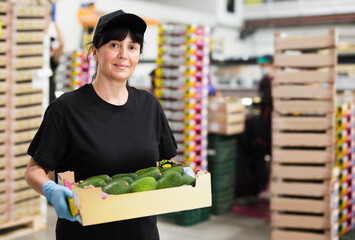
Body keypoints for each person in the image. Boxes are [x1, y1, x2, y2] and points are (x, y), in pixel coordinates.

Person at [24, 10, 178, 240]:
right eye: (115, 45)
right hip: (85, 233)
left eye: (133, 47)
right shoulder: (66, 109)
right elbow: (33, 170)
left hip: (142, 234)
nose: (124, 55)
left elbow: (163, 161)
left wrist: (177, 173)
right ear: (95, 51)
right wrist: (51, 189)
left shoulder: (150, 106)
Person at [49, 22, 65, 103]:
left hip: (50, 99)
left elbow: (62, 44)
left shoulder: (51, 61)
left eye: (51, 42)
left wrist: (54, 22)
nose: (51, 45)